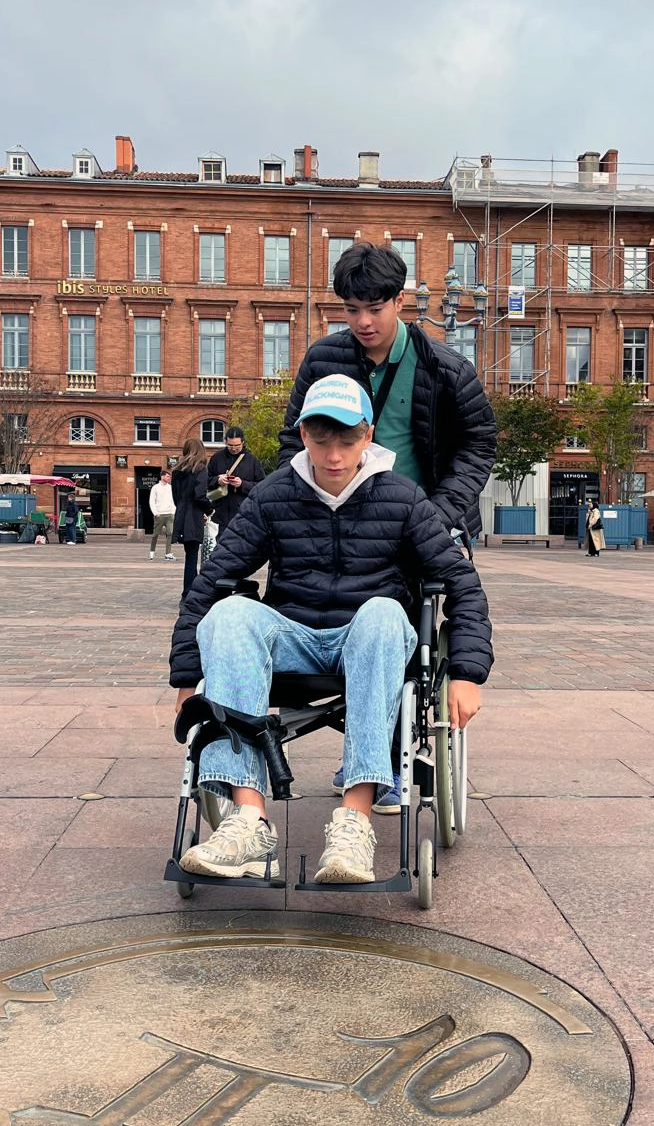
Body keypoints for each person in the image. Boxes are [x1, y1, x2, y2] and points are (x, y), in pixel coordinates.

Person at [171, 375, 492, 886]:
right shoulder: (274, 495)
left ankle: (355, 821)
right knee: (227, 614)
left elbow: (461, 584)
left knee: (384, 612)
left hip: (369, 637)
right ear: (303, 434)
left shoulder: (402, 498)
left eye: (347, 439)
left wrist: (468, 674)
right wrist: (188, 674)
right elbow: (210, 581)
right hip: (293, 634)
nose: (335, 455)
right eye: (321, 439)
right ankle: (249, 822)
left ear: (368, 436)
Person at [277, 242, 496, 541]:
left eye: (375, 309)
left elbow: (479, 444)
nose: (363, 322)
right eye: (351, 310)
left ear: (399, 300)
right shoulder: (322, 360)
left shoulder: (447, 368)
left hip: (423, 527)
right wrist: (304, 508)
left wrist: (436, 517)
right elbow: (294, 438)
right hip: (340, 526)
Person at [205, 426, 265, 535]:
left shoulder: (252, 460)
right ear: (225, 442)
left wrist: (242, 484)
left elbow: (261, 486)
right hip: (220, 514)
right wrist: (217, 480)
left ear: (243, 442)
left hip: (243, 514)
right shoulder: (217, 458)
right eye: (230, 445)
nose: (233, 449)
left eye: (237, 445)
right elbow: (206, 481)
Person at [172, 437, 211, 598]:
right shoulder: (201, 469)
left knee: (190, 556)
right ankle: (190, 592)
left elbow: (175, 497)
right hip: (194, 516)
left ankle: (189, 590)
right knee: (193, 555)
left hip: (181, 514)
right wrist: (209, 509)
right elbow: (200, 495)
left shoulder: (177, 471)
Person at [148, 470, 176, 561]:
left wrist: (173, 511)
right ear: (162, 476)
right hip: (159, 514)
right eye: (167, 476)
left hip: (170, 514)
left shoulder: (171, 487)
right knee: (155, 534)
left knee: (170, 533)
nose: (169, 478)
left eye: (169, 476)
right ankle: (152, 552)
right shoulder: (155, 487)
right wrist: (155, 513)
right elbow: (152, 501)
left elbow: (173, 500)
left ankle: (168, 553)